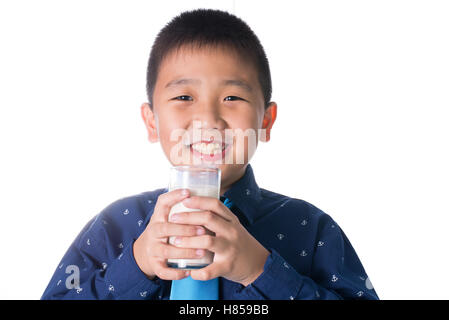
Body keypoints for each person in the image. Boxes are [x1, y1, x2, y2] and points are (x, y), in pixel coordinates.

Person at [41, 8, 379, 300]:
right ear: (151, 121)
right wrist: (137, 264)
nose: (207, 119)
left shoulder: (311, 229)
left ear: (265, 120)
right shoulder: (116, 225)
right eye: (184, 98)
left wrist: (261, 271)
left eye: (232, 98)